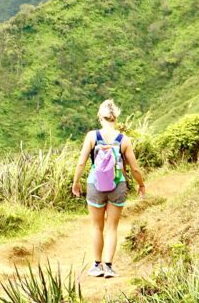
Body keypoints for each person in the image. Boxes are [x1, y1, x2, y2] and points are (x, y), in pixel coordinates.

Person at [70, 99, 146, 278]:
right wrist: (141, 184)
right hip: (117, 185)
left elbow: (81, 162)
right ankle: (109, 267)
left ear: (100, 117)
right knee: (112, 227)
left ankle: (96, 266)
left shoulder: (92, 136)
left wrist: (76, 182)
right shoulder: (123, 140)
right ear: (116, 118)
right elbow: (134, 168)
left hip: (95, 185)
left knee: (97, 227)